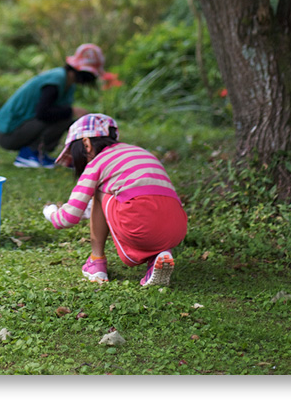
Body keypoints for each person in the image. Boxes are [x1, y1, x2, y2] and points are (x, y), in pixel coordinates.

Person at [42, 113, 187, 286]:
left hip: (139, 225)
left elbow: (68, 219)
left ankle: (96, 262)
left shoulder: (97, 163)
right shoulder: (140, 152)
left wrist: (50, 212)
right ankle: (158, 256)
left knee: (99, 192)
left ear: (86, 144)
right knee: (146, 205)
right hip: (176, 228)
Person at [0, 43, 105, 169]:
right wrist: (72, 111)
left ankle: (36, 153)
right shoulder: (55, 80)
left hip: (20, 128)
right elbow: (43, 112)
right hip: (8, 133)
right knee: (64, 116)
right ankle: (29, 154)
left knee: (66, 117)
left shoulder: (68, 83)